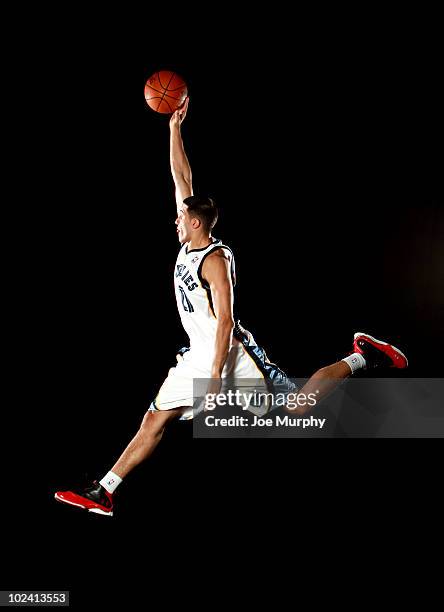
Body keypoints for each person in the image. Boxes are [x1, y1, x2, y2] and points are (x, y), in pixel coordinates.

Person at [55, 98, 407, 516]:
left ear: (198, 222)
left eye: (182, 218)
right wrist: (173, 129)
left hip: (232, 355)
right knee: (155, 419)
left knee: (297, 411)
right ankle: (104, 491)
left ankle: (361, 356)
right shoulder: (190, 240)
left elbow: (225, 322)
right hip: (196, 355)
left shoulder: (215, 261)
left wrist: (217, 376)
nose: (176, 220)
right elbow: (180, 176)